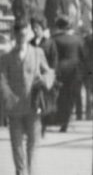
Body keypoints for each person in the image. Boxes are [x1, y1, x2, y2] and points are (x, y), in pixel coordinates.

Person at [0, 18, 56, 175]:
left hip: (33, 106)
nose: (21, 38)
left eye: (24, 35)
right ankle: (20, 172)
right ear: (14, 35)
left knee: (32, 146)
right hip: (15, 108)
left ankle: (31, 172)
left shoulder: (38, 53)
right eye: (18, 35)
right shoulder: (6, 57)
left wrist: (44, 81)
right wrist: (8, 98)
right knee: (17, 146)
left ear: (28, 34)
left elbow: (49, 71)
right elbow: (1, 79)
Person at [50, 16, 86, 132]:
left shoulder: (54, 39)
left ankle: (61, 119)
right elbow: (83, 56)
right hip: (75, 71)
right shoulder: (78, 39)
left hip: (60, 70)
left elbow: (52, 56)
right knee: (71, 96)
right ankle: (66, 120)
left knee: (61, 96)